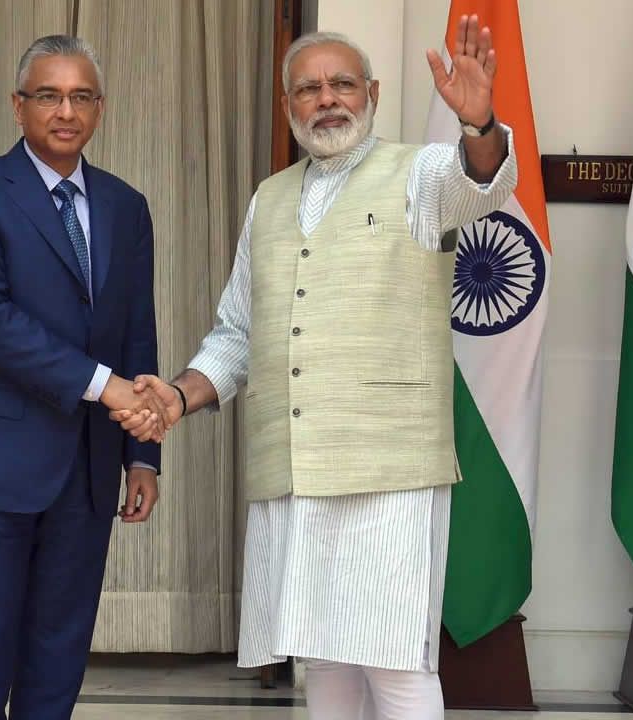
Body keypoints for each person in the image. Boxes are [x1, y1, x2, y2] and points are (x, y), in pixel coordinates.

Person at [112, 17, 518, 720]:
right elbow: (239, 332)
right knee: (323, 657)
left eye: (342, 84)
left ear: (373, 92)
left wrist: (479, 123)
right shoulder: (269, 198)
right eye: (309, 89)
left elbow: (478, 186)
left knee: (395, 661)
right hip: (293, 467)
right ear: (288, 106)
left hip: (388, 466)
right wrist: (176, 397)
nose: (327, 99)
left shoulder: (419, 172)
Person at [0, 34, 169, 720]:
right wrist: (106, 386)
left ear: (100, 108)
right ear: (18, 105)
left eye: (81, 96)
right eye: (49, 95)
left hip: (87, 473)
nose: (66, 111)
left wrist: (142, 453)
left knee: (57, 664)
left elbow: (135, 331)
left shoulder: (126, 206)